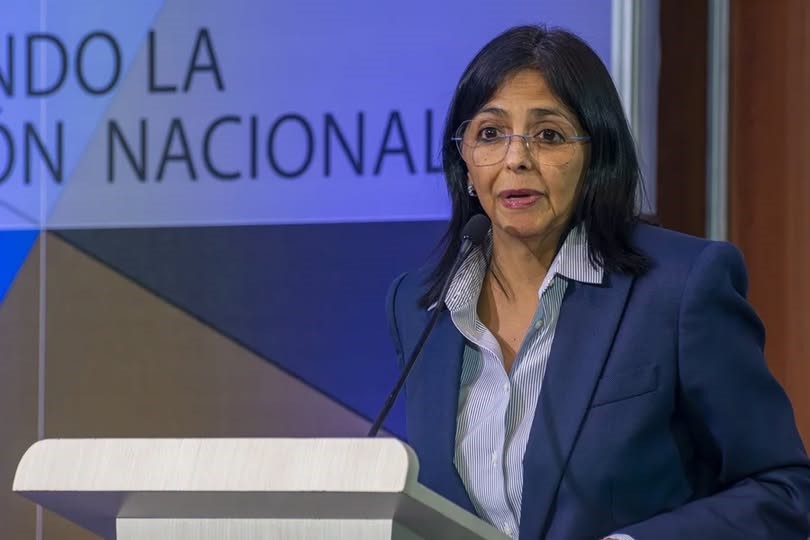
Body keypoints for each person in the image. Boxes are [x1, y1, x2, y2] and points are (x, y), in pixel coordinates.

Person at [385, 25, 810, 539]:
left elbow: (785, 491)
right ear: (465, 161)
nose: (516, 158)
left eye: (548, 135)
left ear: (595, 156)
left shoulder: (680, 288)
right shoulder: (419, 308)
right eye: (491, 134)